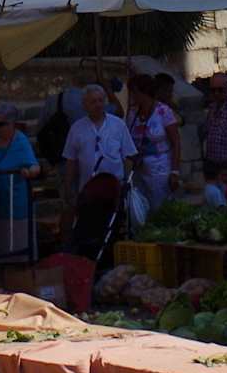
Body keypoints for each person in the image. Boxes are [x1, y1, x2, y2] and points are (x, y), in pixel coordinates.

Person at [61, 83, 136, 258]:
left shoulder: (118, 125)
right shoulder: (77, 128)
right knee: (89, 231)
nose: (98, 105)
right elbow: (71, 160)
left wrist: (127, 183)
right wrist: (68, 187)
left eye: (100, 100)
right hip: (88, 191)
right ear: (85, 105)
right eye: (93, 101)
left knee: (112, 228)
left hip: (113, 190)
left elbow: (128, 156)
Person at [0, 102, 43, 256]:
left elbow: (34, 166)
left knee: (16, 253)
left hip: (15, 206)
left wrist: (30, 172)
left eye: (0, 124)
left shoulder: (20, 141)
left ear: (12, 123)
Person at [126, 74, 178, 209]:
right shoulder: (132, 113)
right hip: (139, 169)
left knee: (161, 208)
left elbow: (176, 143)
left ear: (143, 92)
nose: (132, 96)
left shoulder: (163, 111)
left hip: (160, 169)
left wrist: (175, 172)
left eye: (134, 92)